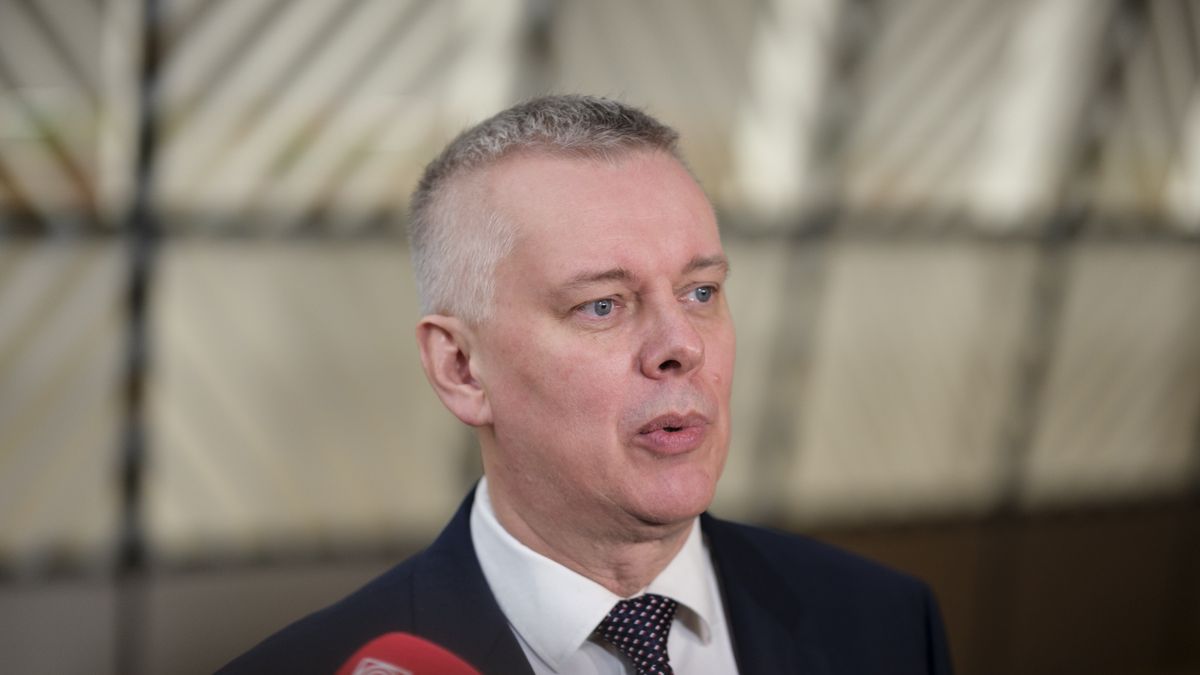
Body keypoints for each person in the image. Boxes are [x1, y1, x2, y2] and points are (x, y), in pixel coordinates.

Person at [220, 95, 953, 674]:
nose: (682, 346)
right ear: (462, 369)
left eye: (701, 291)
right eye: (603, 304)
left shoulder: (886, 621)